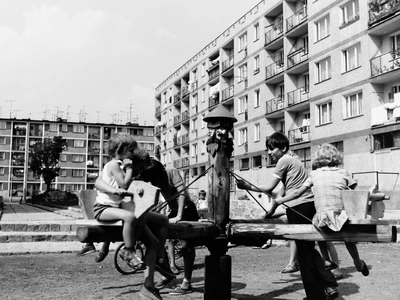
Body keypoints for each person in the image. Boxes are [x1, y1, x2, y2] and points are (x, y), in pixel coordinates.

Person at [237, 132, 338, 300]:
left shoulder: (284, 161)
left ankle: (320, 290)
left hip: (298, 207)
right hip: (305, 206)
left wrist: (247, 186)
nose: (269, 152)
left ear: (283, 148)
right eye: (267, 149)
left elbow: (269, 188)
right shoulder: (293, 162)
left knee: (305, 254)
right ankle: (326, 286)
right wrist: (269, 212)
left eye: (272, 149)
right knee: (307, 250)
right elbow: (279, 193)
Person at [276, 143, 369, 278]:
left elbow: (297, 193)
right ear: (336, 157)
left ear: (318, 159)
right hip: (340, 218)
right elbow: (355, 194)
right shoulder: (343, 173)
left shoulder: (314, 175)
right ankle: (358, 262)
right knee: (348, 239)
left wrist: (281, 200)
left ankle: (326, 259)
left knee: (320, 232)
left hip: (322, 219)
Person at [140, 158, 199, 296]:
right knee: (158, 239)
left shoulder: (171, 171)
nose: (154, 183)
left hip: (187, 209)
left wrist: (179, 215)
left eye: (154, 180)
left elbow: (182, 193)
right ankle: (167, 273)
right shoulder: (154, 178)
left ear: (160, 173)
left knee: (186, 245)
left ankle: (187, 282)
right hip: (173, 210)